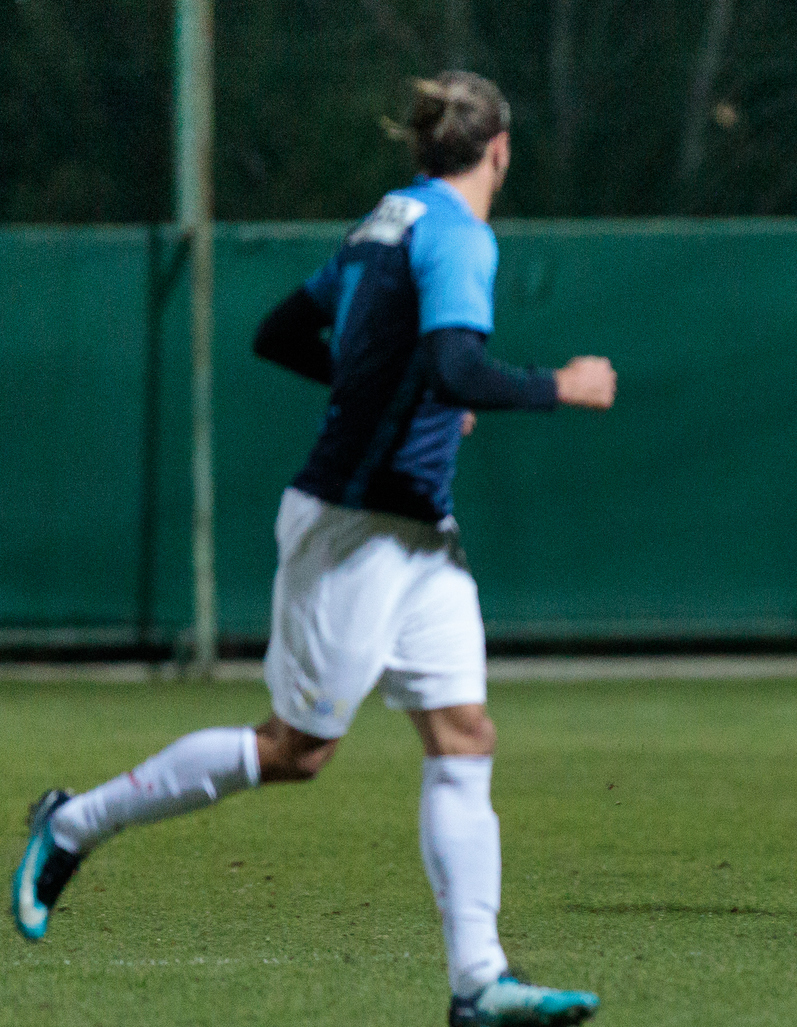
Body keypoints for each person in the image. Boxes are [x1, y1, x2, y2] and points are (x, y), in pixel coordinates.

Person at [12, 71, 614, 1026]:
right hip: (357, 525)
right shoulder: (459, 234)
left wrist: (388, 394)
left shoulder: (388, 219)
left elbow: (282, 333)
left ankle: (478, 981)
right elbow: (456, 365)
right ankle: (71, 823)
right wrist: (562, 386)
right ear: (499, 150)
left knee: (464, 735)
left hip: (419, 530)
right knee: (295, 749)